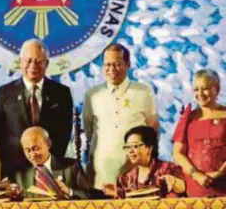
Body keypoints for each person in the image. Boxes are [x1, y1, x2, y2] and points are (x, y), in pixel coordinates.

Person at [0, 39, 73, 178]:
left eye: (38, 61)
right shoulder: (4, 94)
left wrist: (48, 162)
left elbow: (64, 134)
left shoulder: (61, 94)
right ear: (20, 62)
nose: (33, 66)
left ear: (46, 63)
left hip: (51, 172)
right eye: (28, 60)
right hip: (15, 172)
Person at [83, 44, 159, 189]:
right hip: (102, 173)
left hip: (136, 172)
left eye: (117, 64)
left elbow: (153, 131)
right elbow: (89, 132)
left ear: (128, 65)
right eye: (107, 65)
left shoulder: (143, 92)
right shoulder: (93, 95)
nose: (111, 69)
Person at [173, 69, 226, 197]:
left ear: (217, 89)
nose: (200, 93)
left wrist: (220, 173)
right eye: (196, 89)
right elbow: (177, 153)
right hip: (195, 187)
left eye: (205, 88)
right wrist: (196, 175)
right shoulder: (188, 118)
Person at [103, 126, 185, 199]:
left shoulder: (167, 168)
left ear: (149, 148)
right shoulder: (125, 178)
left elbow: (182, 189)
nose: (130, 151)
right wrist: (116, 194)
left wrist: (174, 181)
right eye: (127, 147)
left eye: (135, 146)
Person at [12, 127, 90, 200]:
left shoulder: (71, 167)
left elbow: (89, 195)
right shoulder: (20, 174)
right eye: (28, 150)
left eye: (36, 149)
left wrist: (69, 191)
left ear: (48, 144)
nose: (32, 155)